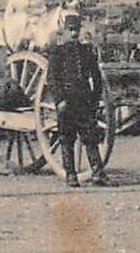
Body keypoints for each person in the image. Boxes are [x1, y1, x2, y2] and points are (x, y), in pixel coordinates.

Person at [44, 12, 108, 188]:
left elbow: (96, 78)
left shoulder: (87, 52)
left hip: (84, 100)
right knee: (66, 138)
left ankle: (97, 173)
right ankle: (70, 175)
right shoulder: (57, 53)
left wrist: (95, 99)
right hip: (66, 101)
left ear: (80, 31)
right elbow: (52, 79)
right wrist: (59, 100)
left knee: (90, 136)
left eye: (76, 30)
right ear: (65, 31)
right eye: (71, 30)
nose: (73, 34)